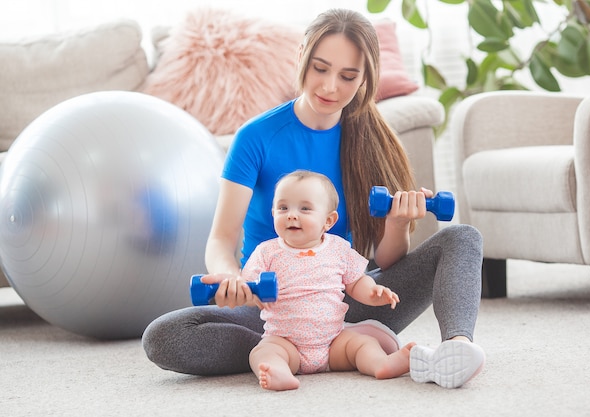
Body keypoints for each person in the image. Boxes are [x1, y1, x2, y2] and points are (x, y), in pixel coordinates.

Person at [142, 8, 485, 389]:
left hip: (349, 300)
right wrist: (230, 278)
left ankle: (456, 348)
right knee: (164, 335)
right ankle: (292, 349)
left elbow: (385, 261)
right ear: (302, 55)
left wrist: (398, 223)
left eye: (348, 76)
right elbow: (222, 238)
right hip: (269, 309)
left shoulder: (372, 140)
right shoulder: (256, 137)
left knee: (462, 237)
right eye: (320, 68)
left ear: (366, 78)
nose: (331, 87)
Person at [243, 170, 414, 391]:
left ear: (329, 221)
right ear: (273, 212)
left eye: (305, 208)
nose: (292, 215)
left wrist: (373, 292)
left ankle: (381, 364)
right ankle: (279, 372)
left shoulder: (338, 248)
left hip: (333, 341)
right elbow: (246, 284)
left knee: (362, 343)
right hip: (285, 341)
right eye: (283, 208)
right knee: (262, 352)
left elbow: (356, 282)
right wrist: (249, 292)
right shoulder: (267, 252)